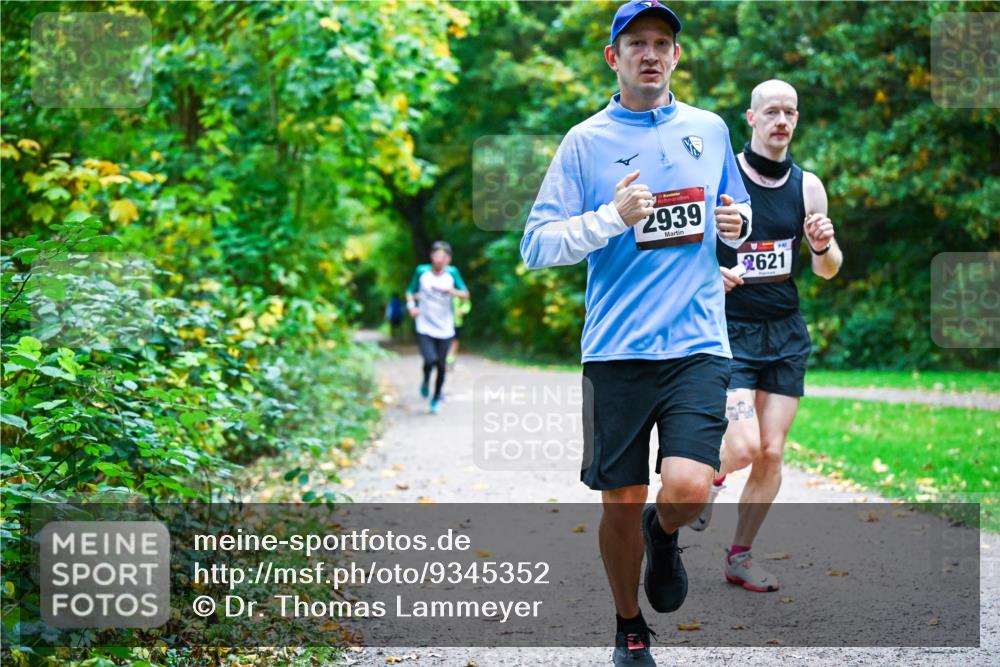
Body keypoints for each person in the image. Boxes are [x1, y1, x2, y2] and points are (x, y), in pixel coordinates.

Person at [520, 2, 752, 664]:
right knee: (618, 504)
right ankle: (629, 624)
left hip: (697, 343)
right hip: (617, 350)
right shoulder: (584, 141)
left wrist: (734, 230)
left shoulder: (709, 130)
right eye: (636, 43)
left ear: (677, 56)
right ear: (613, 57)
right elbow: (537, 245)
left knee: (683, 489)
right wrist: (609, 218)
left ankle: (666, 529)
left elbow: (735, 215)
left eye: (662, 43)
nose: (650, 53)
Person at [691, 79, 842, 594]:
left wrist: (822, 247)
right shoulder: (721, 174)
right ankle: (709, 478)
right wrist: (713, 274)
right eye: (772, 111)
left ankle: (740, 556)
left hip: (784, 330)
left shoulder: (809, 186)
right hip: (729, 328)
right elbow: (690, 248)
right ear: (751, 118)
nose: (782, 120)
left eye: (791, 113)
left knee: (773, 452)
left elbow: (827, 269)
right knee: (746, 446)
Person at [406, 241, 469, 414]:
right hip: (425, 325)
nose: (440, 259)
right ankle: (426, 379)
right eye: (437, 255)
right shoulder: (421, 272)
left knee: (441, 365)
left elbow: (465, 294)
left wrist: (452, 291)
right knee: (430, 360)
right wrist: (411, 307)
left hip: (445, 327)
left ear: (449, 259)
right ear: (431, 257)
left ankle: (435, 397)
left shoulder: (452, 273)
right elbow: (410, 291)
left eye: (444, 256)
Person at [447, 297, 471, 367]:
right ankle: (444, 358)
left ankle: (451, 359)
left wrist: (463, 310)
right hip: (442, 322)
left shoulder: (458, 288)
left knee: (454, 340)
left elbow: (467, 303)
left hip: (456, 322)